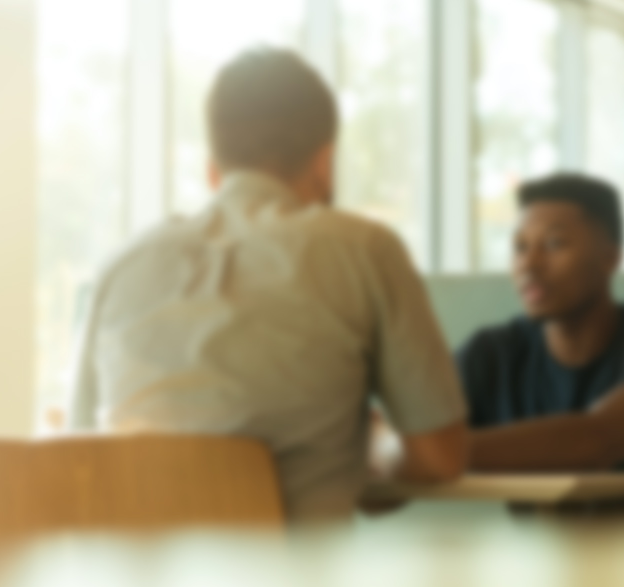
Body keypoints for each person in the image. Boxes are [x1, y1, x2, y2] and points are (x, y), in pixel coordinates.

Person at [67, 48, 469, 524]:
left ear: (213, 170)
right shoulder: (365, 249)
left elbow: (80, 451)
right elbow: (440, 458)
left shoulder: (120, 265)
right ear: (324, 165)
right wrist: (378, 444)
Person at [457, 173, 624, 512]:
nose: (529, 264)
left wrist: (431, 453)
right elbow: (403, 440)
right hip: (531, 561)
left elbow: (597, 442)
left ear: (610, 258)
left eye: (554, 244)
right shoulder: (492, 353)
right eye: (520, 247)